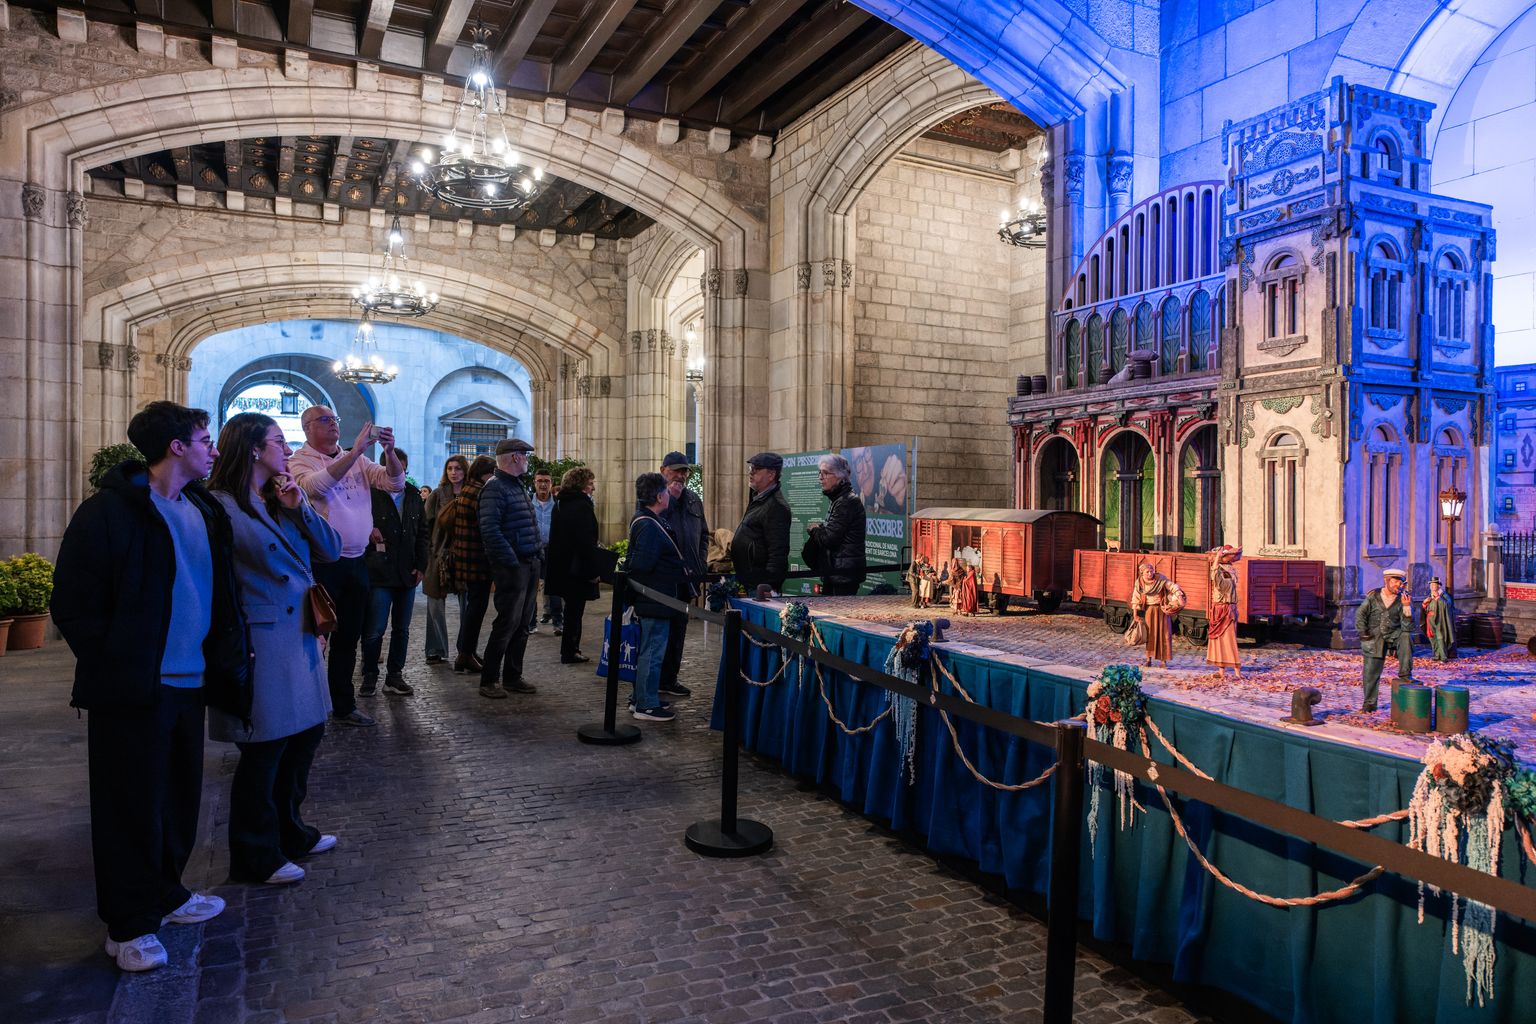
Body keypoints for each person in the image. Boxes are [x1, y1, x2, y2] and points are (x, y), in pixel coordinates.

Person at [52, 402, 237, 972]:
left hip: (190, 682)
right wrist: (119, 660)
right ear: (176, 447)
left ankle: (169, 892)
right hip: (135, 685)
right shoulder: (109, 513)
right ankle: (128, 925)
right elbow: (74, 603)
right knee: (128, 804)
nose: (212, 448)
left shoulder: (202, 508)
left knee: (179, 797)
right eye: (204, 438)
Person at [207, 413, 343, 886]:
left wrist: (298, 506)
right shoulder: (220, 507)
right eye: (277, 442)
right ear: (252, 449)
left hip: (300, 637)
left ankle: (292, 832)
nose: (286, 450)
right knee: (264, 751)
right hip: (262, 639)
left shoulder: (276, 499)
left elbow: (330, 548)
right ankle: (254, 854)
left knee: (304, 739)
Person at [289, 406, 406, 728]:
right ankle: (309, 708)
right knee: (315, 639)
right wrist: (356, 452)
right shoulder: (301, 460)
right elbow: (315, 488)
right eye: (325, 420)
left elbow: (395, 484)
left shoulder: (358, 460)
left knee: (348, 637)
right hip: (322, 564)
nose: (333, 425)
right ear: (307, 427)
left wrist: (389, 451)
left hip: (356, 562)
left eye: (335, 420)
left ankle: (343, 705)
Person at [477, 438, 542, 699]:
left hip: (529, 563)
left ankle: (513, 676)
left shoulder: (515, 485)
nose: (527, 460)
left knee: (523, 624)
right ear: (514, 457)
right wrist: (512, 563)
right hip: (514, 567)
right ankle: (489, 679)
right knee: (507, 623)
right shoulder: (495, 488)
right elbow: (490, 531)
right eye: (525, 456)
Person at [361, 448, 429, 697]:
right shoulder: (370, 494)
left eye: (401, 468)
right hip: (379, 572)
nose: (397, 473)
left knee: (402, 628)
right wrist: (369, 529)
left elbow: (422, 532)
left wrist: (422, 565)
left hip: (406, 573)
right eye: (392, 469)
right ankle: (369, 675)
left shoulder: (412, 495)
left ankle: (394, 676)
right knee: (375, 629)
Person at [627, 472, 690, 722]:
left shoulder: (650, 520)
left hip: (657, 598)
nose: (668, 493)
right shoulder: (648, 524)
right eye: (665, 490)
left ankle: (641, 697)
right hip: (655, 599)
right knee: (652, 652)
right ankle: (646, 704)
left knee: (650, 650)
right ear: (658, 496)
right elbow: (642, 564)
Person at [659, 451, 708, 700]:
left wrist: (699, 562)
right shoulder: (655, 497)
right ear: (663, 470)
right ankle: (653, 679)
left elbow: (703, 535)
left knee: (679, 629)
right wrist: (671, 500)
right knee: (659, 632)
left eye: (685, 471)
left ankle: (670, 679)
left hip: (687, 578)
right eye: (676, 470)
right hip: (663, 578)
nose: (681, 475)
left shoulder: (694, 500)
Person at [545, 467, 604, 665]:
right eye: (590, 484)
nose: (593, 488)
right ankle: (570, 651)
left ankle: (569, 650)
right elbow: (585, 542)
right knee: (574, 612)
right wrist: (593, 571)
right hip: (577, 569)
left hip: (563, 566)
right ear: (581, 486)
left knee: (571, 610)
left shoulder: (561, 503)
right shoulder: (580, 505)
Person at [444, 455, 496, 675]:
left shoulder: (469, 489)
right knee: (475, 609)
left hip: (469, 560)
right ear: (486, 473)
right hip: (477, 561)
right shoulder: (479, 492)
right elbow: (485, 526)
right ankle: (465, 654)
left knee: (474, 608)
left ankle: (468, 652)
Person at [422, 455, 469, 666]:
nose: (453, 472)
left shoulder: (472, 494)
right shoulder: (437, 494)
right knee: (434, 605)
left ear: (465, 471)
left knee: (468, 605)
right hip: (438, 554)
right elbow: (425, 527)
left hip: (465, 555)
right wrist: (428, 553)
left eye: (458, 468)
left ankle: (466, 650)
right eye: (450, 468)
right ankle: (435, 648)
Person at [806, 453, 866, 596]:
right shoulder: (839, 500)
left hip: (842, 576)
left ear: (840, 476)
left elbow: (829, 539)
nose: (821, 478)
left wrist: (815, 530)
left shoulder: (846, 502)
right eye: (820, 473)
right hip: (837, 573)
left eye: (825, 473)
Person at [731, 451, 791, 594]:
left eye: (756, 470)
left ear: (771, 475)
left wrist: (769, 585)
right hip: (749, 580)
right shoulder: (758, 499)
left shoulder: (776, 506)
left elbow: (778, 552)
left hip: (760, 585)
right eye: (750, 469)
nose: (750, 473)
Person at [1356, 568, 1414, 712]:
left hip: (1394, 635)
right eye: (1395, 582)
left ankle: (1405, 673)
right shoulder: (1373, 597)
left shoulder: (1402, 599)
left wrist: (1407, 608)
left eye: (1400, 583)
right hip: (1375, 637)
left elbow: (1407, 627)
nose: (1398, 585)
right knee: (1370, 672)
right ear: (1387, 581)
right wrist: (1364, 633)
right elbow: (1360, 615)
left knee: (1406, 636)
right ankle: (1369, 703)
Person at [1129, 562, 1184, 669]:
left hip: (1162, 610)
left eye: (1152, 571)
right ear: (1142, 573)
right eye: (1147, 572)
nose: (1150, 573)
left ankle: (1163, 661)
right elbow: (1135, 598)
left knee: (1165, 634)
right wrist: (1135, 615)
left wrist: (1179, 596)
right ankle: (1149, 659)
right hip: (1149, 610)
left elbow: (1172, 586)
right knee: (1150, 635)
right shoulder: (1139, 583)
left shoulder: (1160, 579)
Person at [529, 468, 562, 636]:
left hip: (551, 550)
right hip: (532, 549)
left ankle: (558, 622)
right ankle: (530, 623)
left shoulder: (558, 504)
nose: (543, 484)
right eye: (539, 481)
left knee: (554, 587)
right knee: (531, 588)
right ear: (534, 483)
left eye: (546, 481)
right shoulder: (527, 502)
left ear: (551, 484)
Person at [1206, 545, 1243, 678]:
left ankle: (1237, 670)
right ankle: (1221, 670)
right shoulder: (1219, 570)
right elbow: (1215, 576)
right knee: (1220, 639)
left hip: (1229, 608)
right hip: (1221, 607)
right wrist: (1217, 558)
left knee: (1230, 639)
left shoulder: (1230, 569)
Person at [1422, 576, 1457, 663]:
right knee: (1432, 637)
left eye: (1434, 584)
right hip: (1430, 619)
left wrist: (1438, 598)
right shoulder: (1429, 595)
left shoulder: (1443, 595)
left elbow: (1448, 605)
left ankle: (1443, 656)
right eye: (1431, 584)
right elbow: (1426, 608)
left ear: (1438, 586)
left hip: (1440, 620)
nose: (1432, 586)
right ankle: (1436, 655)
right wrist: (1424, 604)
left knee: (1440, 637)